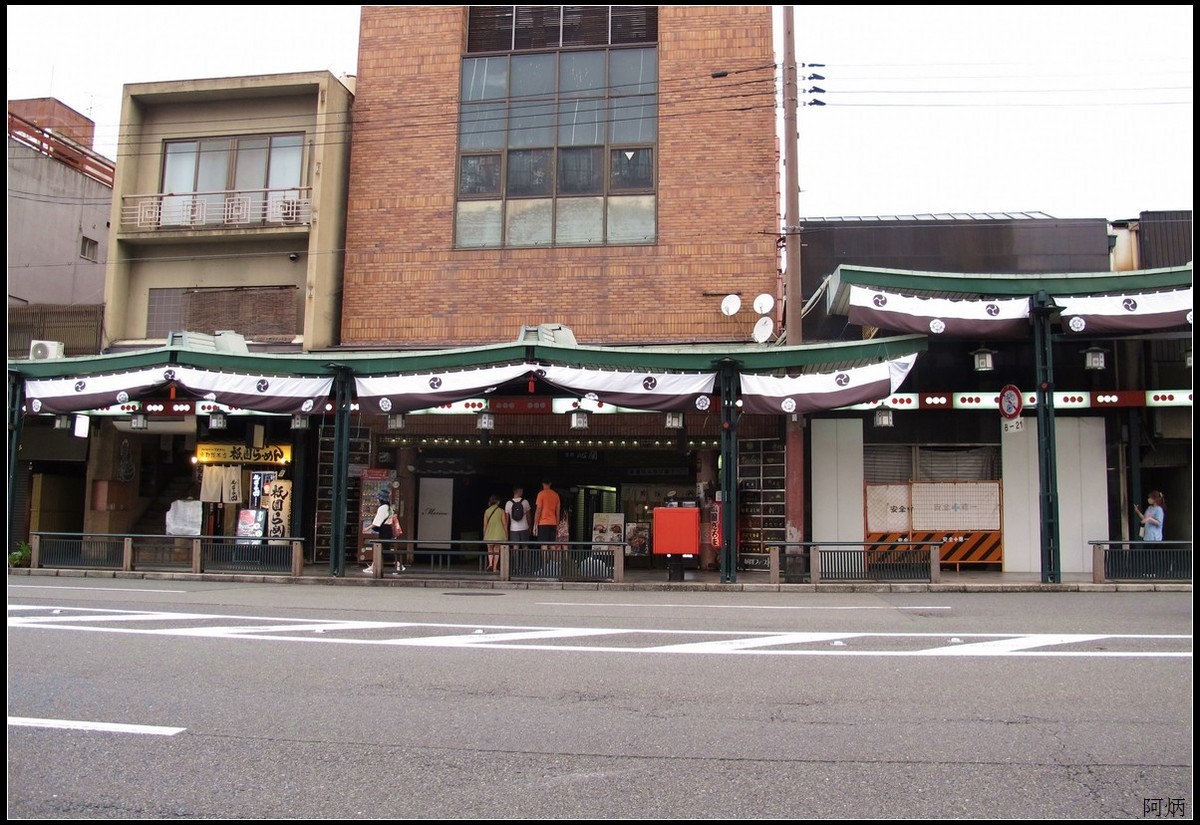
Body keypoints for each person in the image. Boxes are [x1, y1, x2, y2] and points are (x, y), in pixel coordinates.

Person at [364, 489, 405, 575]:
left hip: (384, 530)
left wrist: (367, 528)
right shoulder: (389, 508)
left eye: (378, 498)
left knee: (383, 549)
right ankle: (373, 566)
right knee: (382, 548)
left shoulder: (382, 508)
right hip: (388, 529)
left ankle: (398, 565)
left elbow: (377, 522)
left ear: (380, 499)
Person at [533, 479, 562, 572]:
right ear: (550, 483)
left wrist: (535, 524)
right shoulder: (556, 495)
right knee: (552, 545)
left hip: (543, 522)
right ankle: (553, 566)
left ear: (542, 483)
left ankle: (545, 566)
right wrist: (557, 525)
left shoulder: (540, 494)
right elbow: (558, 512)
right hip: (553, 522)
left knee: (544, 545)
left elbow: (538, 510)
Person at [506, 486, 533, 573]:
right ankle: (527, 567)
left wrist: (507, 529)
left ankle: (516, 567)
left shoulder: (508, 503)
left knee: (515, 547)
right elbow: (528, 516)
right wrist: (530, 526)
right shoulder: (525, 502)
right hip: (524, 527)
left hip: (513, 529)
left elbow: (507, 519)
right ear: (519, 491)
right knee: (525, 547)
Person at [483, 494, 508, 572]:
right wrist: (506, 534)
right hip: (499, 532)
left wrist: (484, 534)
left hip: (489, 532)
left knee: (490, 549)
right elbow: (504, 523)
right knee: (496, 549)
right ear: (498, 501)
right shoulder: (501, 511)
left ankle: (490, 564)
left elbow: (485, 524)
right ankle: (494, 568)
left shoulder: (487, 511)